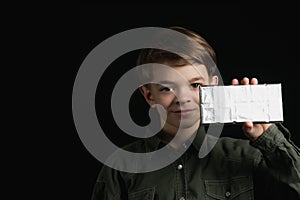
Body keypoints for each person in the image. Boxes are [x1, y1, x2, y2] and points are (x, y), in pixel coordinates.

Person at [91, 26, 300, 199]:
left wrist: (268, 137)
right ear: (148, 95)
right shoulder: (122, 166)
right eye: (167, 88)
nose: (183, 98)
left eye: (196, 85)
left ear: (213, 86)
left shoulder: (247, 156)